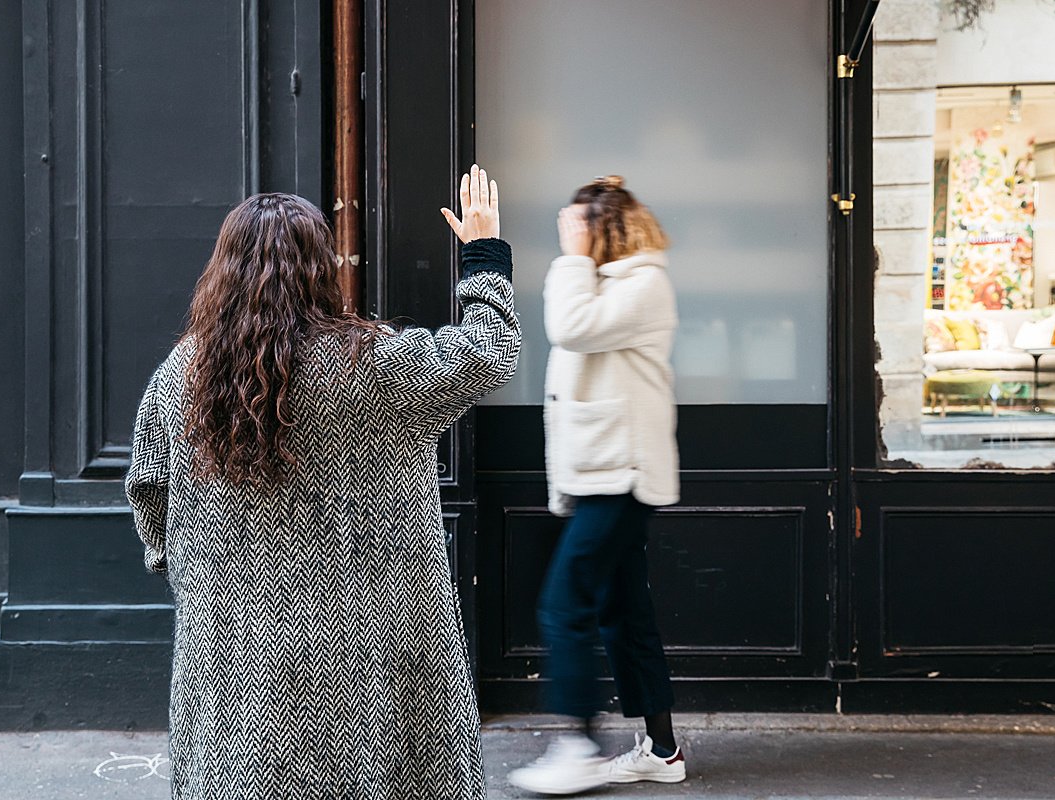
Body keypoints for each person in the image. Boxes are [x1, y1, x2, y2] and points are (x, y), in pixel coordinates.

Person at [126, 166, 519, 799]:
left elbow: (147, 492)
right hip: (368, 645)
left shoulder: (179, 377)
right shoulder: (373, 365)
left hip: (235, 650)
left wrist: (174, 558)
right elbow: (488, 354)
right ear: (320, 269)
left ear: (222, 271)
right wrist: (483, 258)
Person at [508, 175, 683, 795]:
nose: (566, 233)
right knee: (623, 613)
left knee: (564, 604)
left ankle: (578, 744)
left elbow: (571, 327)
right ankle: (662, 751)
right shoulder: (613, 285)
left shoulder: (642, 286)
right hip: (605, 474)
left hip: (622, 475)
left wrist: (572, 259)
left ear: (601, 230)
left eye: (577, 224)